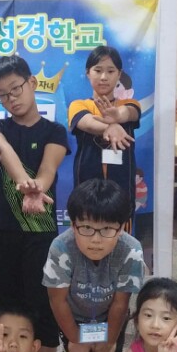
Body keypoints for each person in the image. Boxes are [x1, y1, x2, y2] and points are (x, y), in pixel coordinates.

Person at [42, 179, 145, 352]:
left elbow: (121, 303)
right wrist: (75, 341)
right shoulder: (61, 247)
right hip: (73, 319)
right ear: (73, 224)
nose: (96, 239)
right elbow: (57, 301)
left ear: (122, 227)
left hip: (110, 319)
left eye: (107, 229)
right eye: (86, 228)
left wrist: (109, 341)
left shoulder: (131, 250)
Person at [0, 55, 69, 352]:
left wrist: (38, 188)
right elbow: (3, 151)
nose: (11, 98)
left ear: (32, 83)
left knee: (43, 312)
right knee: (10, 311)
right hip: (0, 233)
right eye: (2, 95)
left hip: (40, 235)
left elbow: (48, 169)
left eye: (15, 89)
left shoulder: (55, 131)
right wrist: (24, 185)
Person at [67, 46, 142, 231]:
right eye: (98, 70)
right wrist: (110, 127)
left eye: (110, 71)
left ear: (119, 74)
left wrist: (117, 116)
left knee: (121, 239)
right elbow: (86, 123)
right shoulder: (78, 105)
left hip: (122, 191)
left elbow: (130, 112)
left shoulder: (128, 104)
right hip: (86, 191)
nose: (103, 77)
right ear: (88, 73)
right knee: (86, 235)